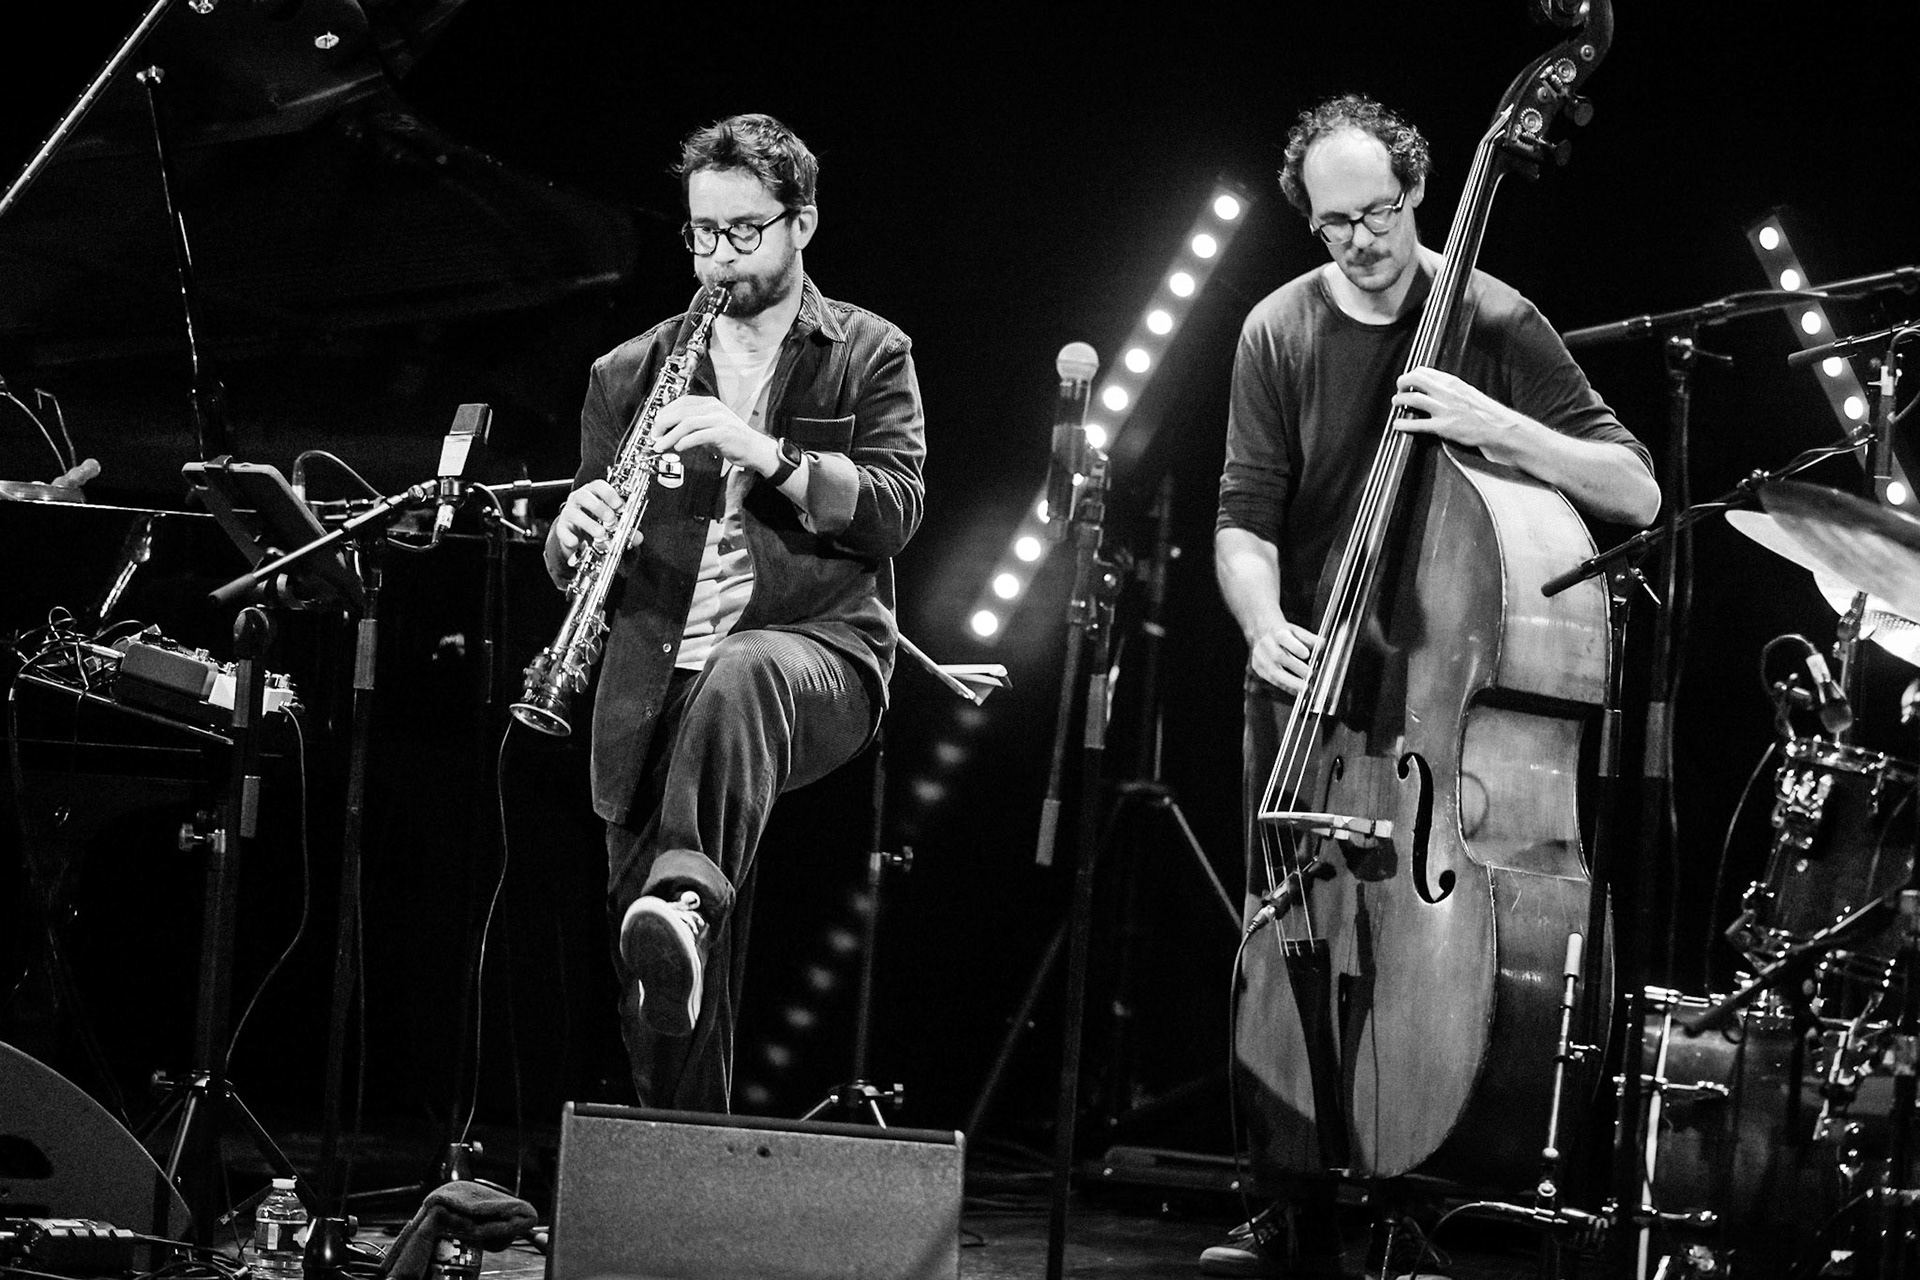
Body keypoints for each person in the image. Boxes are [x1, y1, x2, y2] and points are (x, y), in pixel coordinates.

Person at [1206, 93, 1660, 1276]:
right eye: (1334, 223)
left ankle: (1413, 1184)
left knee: (1421, 954)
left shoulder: (1496, 318)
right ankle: (1288, 1192)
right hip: (1315, 688)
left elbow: (1635, 489)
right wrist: (1262, 621)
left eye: (1380, 212)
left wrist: (1500, 425)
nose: (1361, 240)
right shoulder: (1277, 329)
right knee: (1294, 929)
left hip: (1438, 707)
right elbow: (1244, 517)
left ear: (1417, 191)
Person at [542, 113, 925, 1111]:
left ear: (802, 223)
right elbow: (581, 545)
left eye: (743, 231)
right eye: (702, 233)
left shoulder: (869, 350)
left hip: (815, 656)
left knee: (742, 667)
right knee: (660, 997)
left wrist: (766, 453)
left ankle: (686, 893)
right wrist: (570, 533)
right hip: (652, 680)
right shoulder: (627, 372)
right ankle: (681, 1168)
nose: (718, 257)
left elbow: (893, 512)